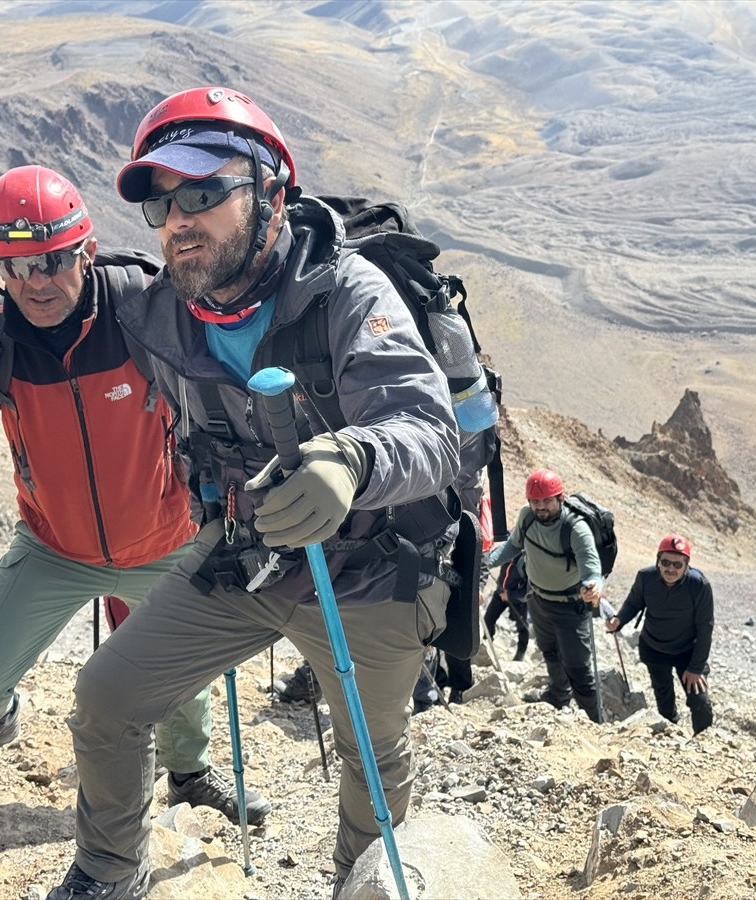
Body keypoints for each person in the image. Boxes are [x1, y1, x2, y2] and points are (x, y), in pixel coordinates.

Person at [45, 86, 459, 900]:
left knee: (371, 754)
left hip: (372, 569)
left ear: (272, 192)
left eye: (204, 192)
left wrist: (352, 460)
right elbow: (44, 306)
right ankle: (104, 872)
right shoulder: (164, 310)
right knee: (108, 695)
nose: (179, 219)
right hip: (244, 556)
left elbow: (428, 426)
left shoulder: (348, 294)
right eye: (163, 202)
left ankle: (359, 883)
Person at [0, 165, 269, 826]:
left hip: (164, 540)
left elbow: (231, 370)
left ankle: (189, 775)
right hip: (54, 546)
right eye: (14, 265)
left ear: (85, 251)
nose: (34, 282)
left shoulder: (147, 306)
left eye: (51, 260)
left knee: (181, 683)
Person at [483, 468, 604, 721]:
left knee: (578, 667)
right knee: (549, 651)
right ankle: (558, 697)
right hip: (538, 600)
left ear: (561, 498)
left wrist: (593, 585)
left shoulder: (576, 528)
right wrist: (485, 562)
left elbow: (591, 568)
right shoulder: (527, 517)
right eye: (535, 501)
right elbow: (513, 545)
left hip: (571, 607)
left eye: (547, 500)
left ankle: (594, 720)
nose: (540, 507)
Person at [606, 533, 714, 734]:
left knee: (699, 701)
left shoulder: (699, 585)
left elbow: (705, 627)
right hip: (654, 649)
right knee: (664, 698)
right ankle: (671, 736)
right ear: (658, 561)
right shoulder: (646, 577)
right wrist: (618, 621)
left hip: (687, 652)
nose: (670, 569)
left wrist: (696, 667)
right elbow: (634, 603)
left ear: (686, 565)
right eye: (665, 562)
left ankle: (703, 742)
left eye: (677, 564)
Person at [484, 556, 530, 662]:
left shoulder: (530, 558)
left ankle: (520, 654)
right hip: (500, 593)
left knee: (523, 627)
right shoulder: (509, 551)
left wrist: (509, 595)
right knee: (488, 620)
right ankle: (487, 645)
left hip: (518, 600)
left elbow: (529, 591)